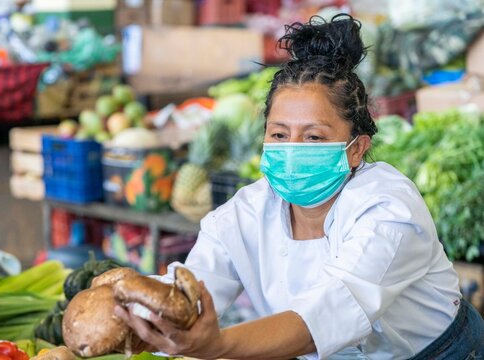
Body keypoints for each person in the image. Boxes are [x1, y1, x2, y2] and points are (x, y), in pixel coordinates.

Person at [116, 14, 484, 359]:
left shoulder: (389, 208)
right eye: (279, 134)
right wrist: (132, 309)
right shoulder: (246, 212)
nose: (291, 149)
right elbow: (191, 291)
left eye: (313, 137)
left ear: (356, 149)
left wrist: (218, 344)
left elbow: (328, 314)